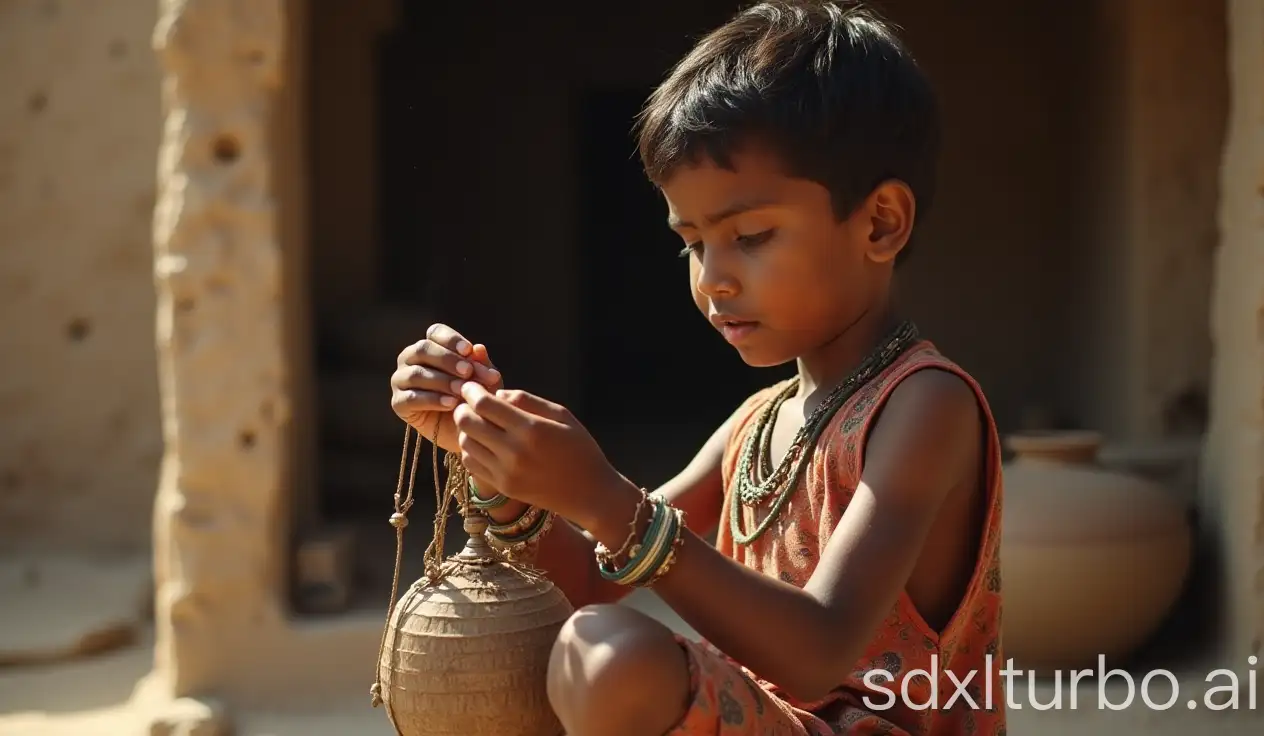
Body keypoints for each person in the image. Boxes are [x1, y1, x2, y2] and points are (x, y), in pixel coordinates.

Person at [388, 1, 1005, 733]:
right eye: (692, 243)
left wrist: (604, 496)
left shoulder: (926, 406)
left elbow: (819, 650)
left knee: (611, 658)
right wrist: (494, 464)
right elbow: (588, 578)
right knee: (585, 650)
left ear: (879, 223)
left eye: (749, 235)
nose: (713, 277)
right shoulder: (755, 425)